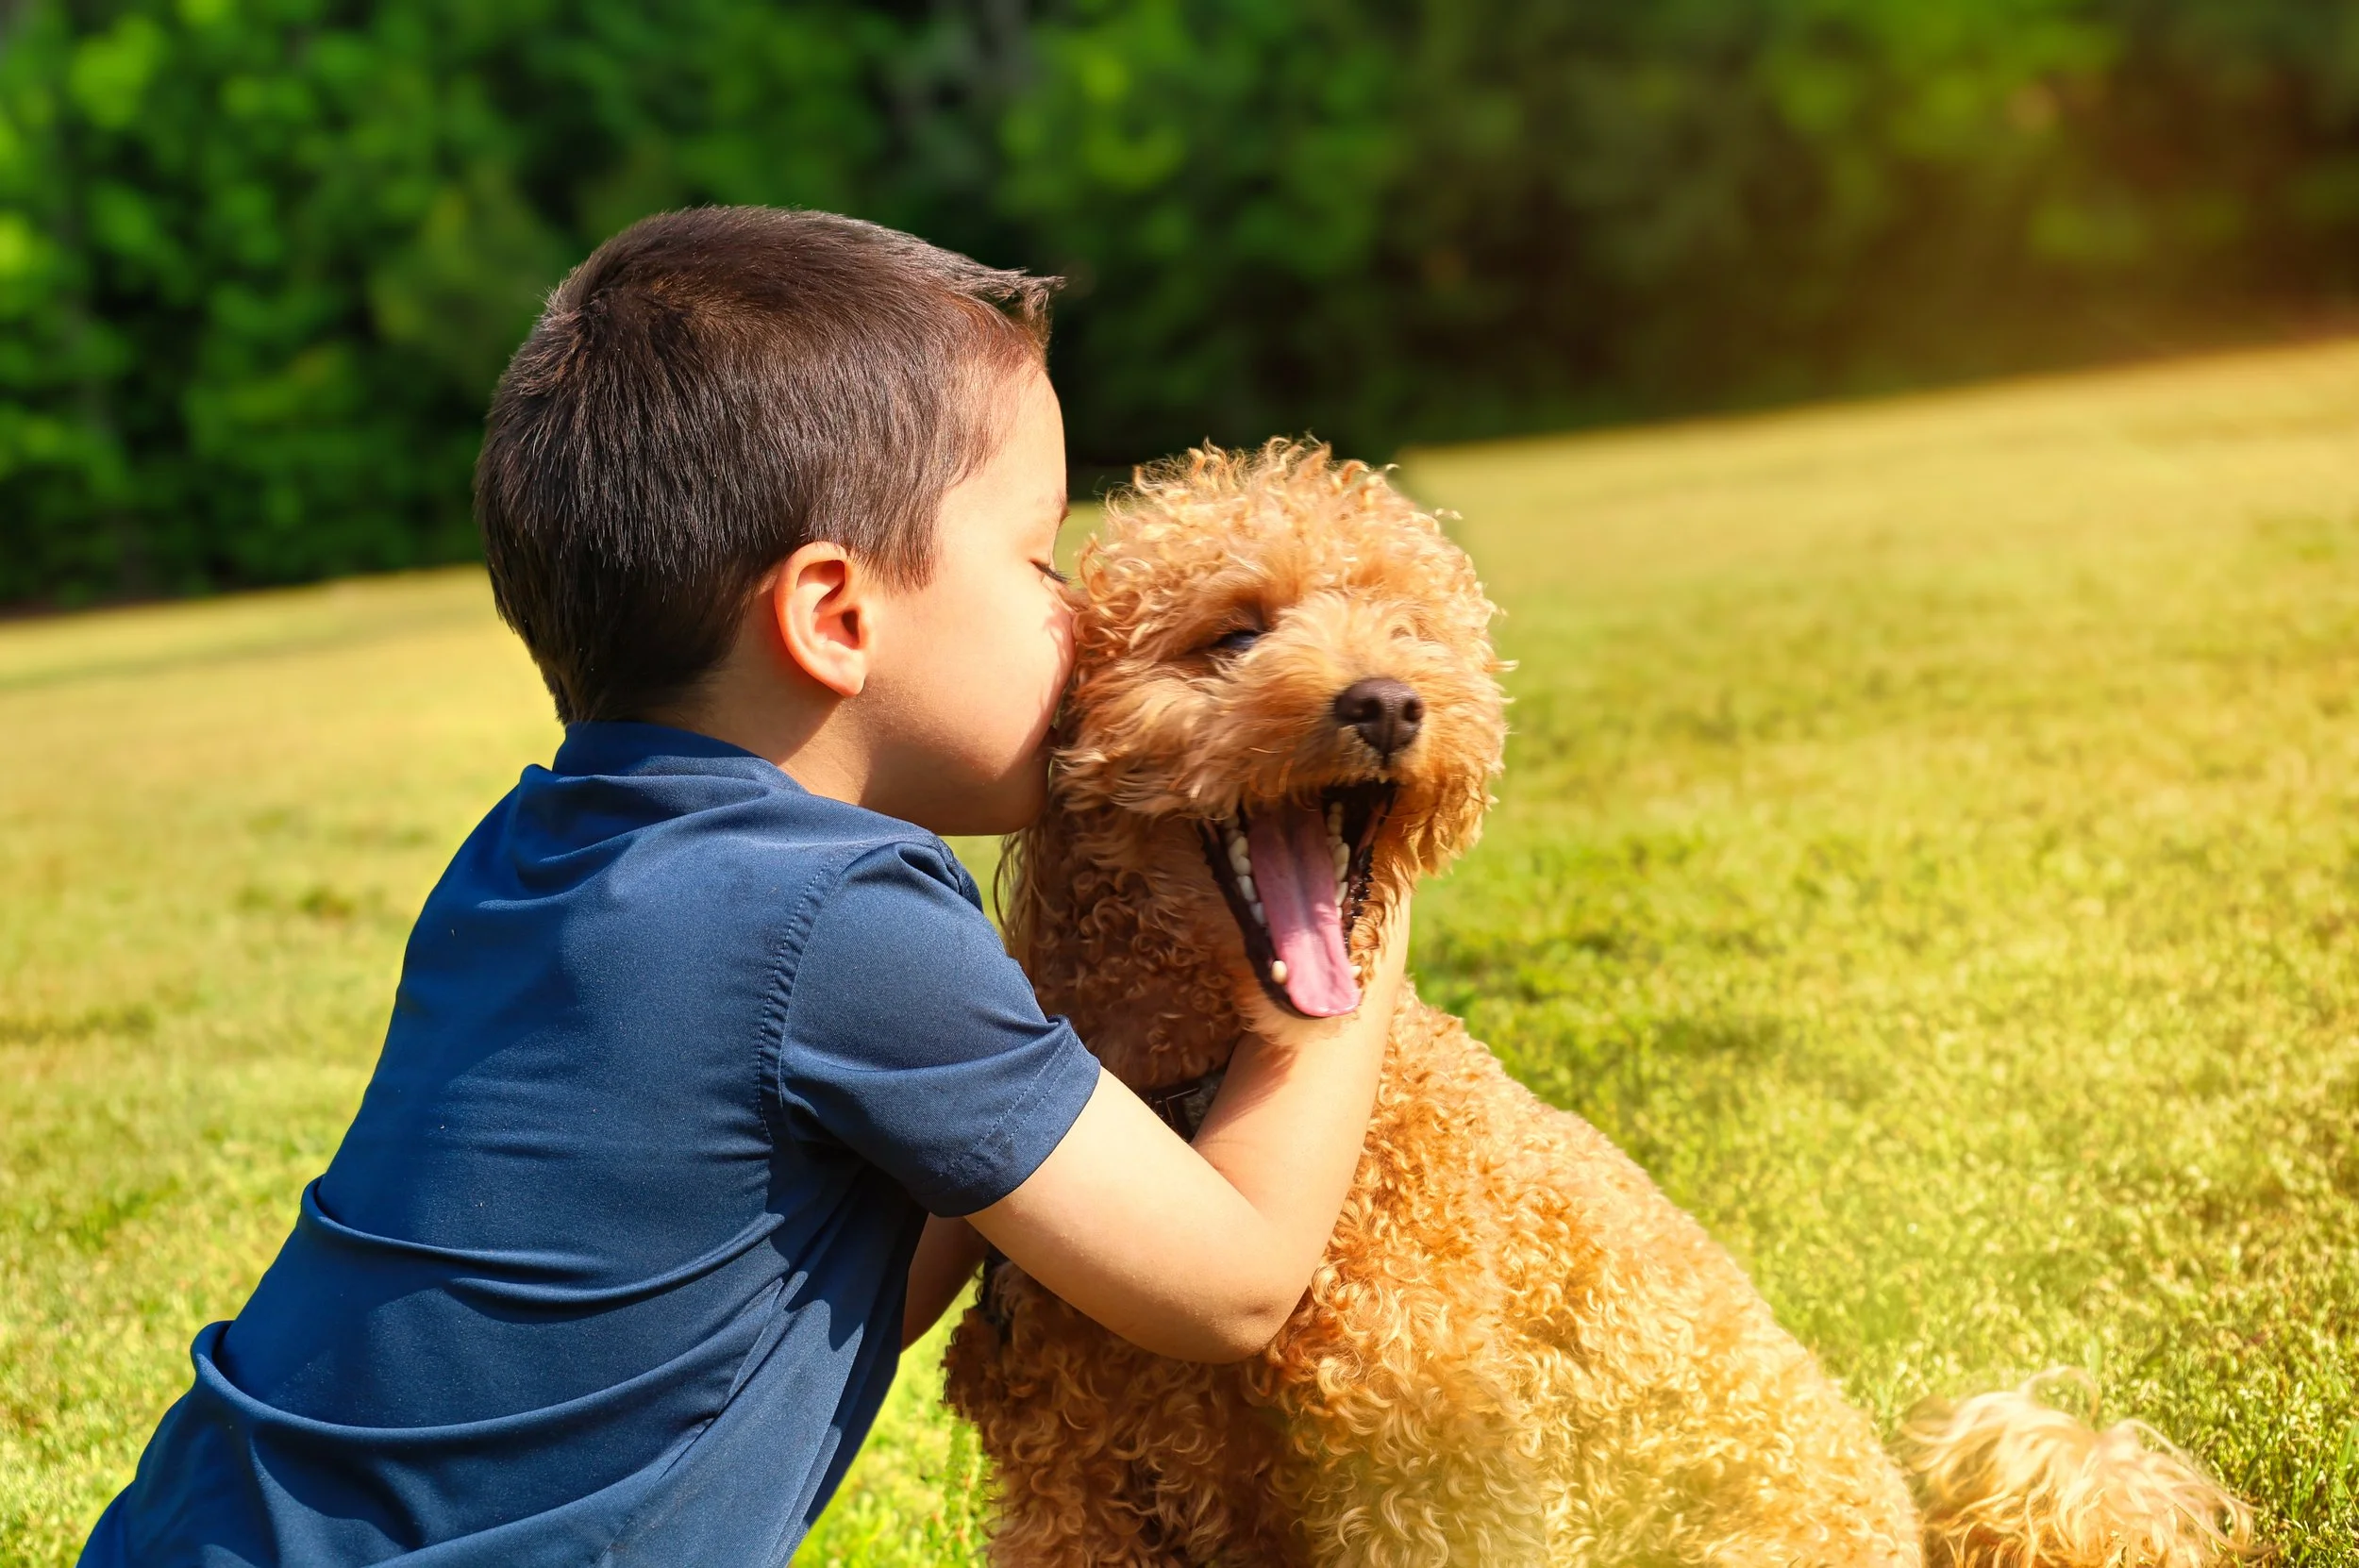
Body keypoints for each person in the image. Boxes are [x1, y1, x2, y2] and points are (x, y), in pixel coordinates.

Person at [78, 206, 1408, 1566]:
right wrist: (1357, 904)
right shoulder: (843, 914)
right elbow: (1233, 1280)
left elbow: (843, 1287)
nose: (1078, 617)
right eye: (1035, 561)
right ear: (835, 618)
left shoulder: (526, 855)